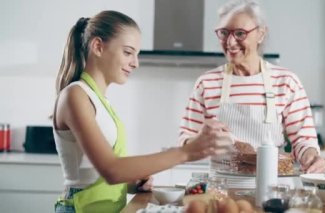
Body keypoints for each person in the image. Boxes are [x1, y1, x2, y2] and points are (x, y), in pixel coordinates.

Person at [53, 10, 228, 213]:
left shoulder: (100, 101)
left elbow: (95, 174)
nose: (135, 63)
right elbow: (111, 170)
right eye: (128, 52)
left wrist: (131, 183)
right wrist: (186, 152)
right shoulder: (75, 96)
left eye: (137, 54)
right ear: (98, 47)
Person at [178, 0, 325, 176]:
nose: (230, 42)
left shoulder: (286, 82)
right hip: (221, 195)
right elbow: (185, 145)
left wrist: (311, 157)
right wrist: (200, 139)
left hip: (272, 192)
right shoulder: (206, 83)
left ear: (261, 34)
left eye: (240, 33)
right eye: (224, 33)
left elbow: (304, 139)